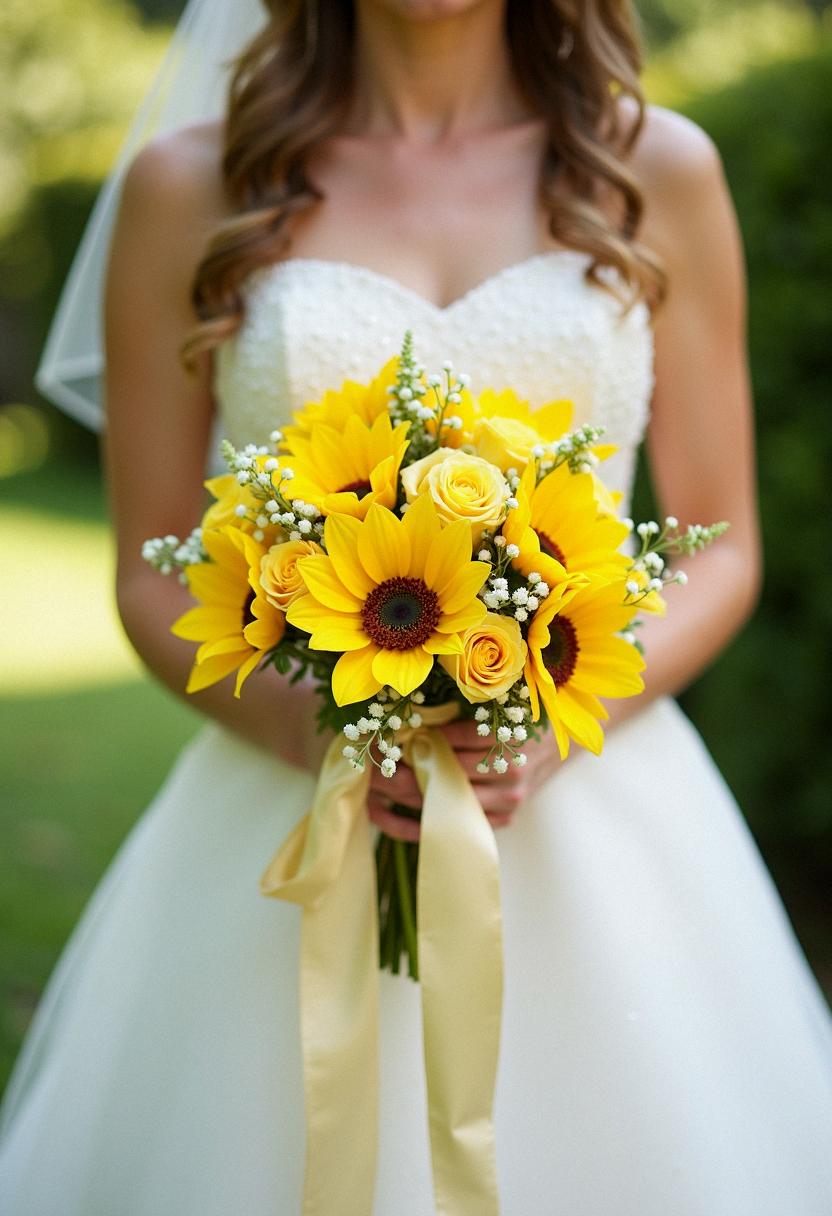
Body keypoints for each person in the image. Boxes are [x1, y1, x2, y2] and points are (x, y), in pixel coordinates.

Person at [2, 1, 831, 1212]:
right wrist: (320, 734)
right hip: (291, 821)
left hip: (596, 805)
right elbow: (148, 569)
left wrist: (546, 725)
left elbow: (723, 548)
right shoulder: (188, 186)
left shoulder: (657, 169)